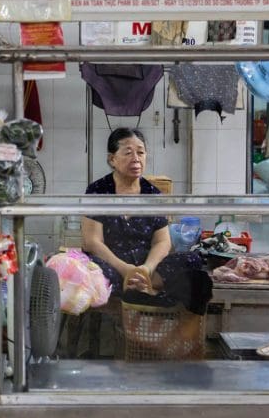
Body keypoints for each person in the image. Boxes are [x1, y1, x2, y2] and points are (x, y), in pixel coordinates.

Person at [81, 127, 211, 315]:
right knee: (91, 272)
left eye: (140, 152)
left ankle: (141, 287)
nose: (136, 158)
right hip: (112, 265)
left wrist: (146, 269)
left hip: (147, 267)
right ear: (112, 159)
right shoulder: (98, 191)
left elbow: (162, 241)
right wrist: (125, 269)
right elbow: (92, 242)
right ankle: (140, 291)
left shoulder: (153, 194)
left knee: (193, 258)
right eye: (128, 152)